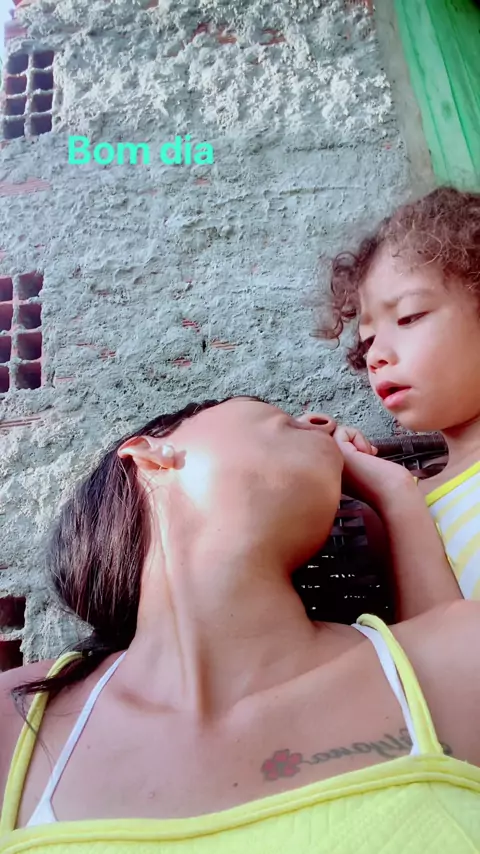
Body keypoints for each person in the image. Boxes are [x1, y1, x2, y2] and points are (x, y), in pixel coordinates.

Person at [0, 396, 478, 854]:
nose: (321, 422)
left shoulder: (451, 656)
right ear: (150, 453)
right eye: (270, 410)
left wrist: (398, 493)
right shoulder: (16, 716)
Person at [314, 186, 480, 599]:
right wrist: (386, 490)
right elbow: (431, 636)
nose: (375, 356)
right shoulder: (411, 509)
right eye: (367, 340)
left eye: (408, 317)